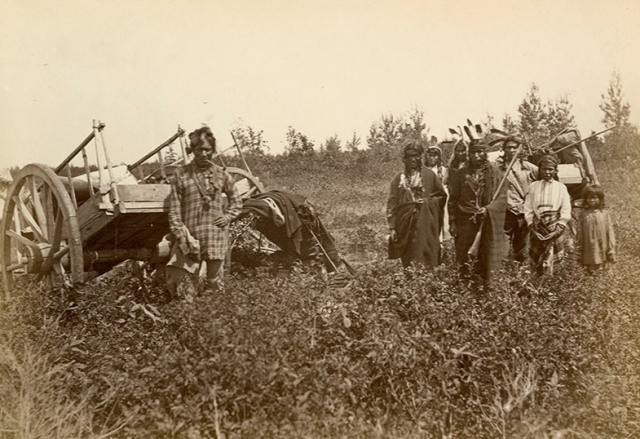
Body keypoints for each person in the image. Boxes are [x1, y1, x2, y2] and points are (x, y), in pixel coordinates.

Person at [168, 126, 243, 294]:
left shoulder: (221, 174)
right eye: (199, 149)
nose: (204, 154)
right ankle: (188, 317)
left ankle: (213, 316)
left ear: (213, 150)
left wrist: (227, 217)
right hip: (189, 237)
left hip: (214, 236)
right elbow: (174, 209)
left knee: (215, 284)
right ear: (192, 150)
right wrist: (180, 236)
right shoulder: (181, 174)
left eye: (207, 150)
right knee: (186, 287)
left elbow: (237, 202)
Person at [448, 137, 507, 287]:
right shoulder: (461, 174)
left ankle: (485, 288)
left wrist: (488, 210)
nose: (476, 155)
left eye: (480, 152)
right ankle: (464, 287)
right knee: (464, 255)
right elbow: (453, 199)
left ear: (485, 152)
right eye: (473, 152)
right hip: (464, 223)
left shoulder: (495, 174)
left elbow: (502, 199)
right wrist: (453, 222)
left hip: (487, 222)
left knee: (485, 255)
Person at [387, 142, 447, 268]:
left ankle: (427, 282)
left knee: (426, 252)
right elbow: (392, 202)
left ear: (421, 157)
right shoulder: (399, 179)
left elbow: (441, 196)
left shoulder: (430, 175)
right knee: (409, 256)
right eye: (409, 156)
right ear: (405, 159)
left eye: (416, 156)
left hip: (425, 222)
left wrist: (426, 203)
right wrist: (392, 227)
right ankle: (412, 282)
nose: (413, 159)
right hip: (405, 225)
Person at [524, 155, 572, 276]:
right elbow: (528, 207)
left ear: (555, 171)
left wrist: (558, 228)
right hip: (538, 226)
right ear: (539, 170)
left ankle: (552, 285)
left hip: (555, 226)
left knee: (553, 259)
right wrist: (531, 226)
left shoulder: (561, 187)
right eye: (544, 169)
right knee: (537, 259)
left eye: (550, 169)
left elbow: (566, 209)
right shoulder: (533, 186)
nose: (547, 172)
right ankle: (536, 285)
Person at [493, 135, 538, 262]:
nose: (512, 150)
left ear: (519, 149)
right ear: (504, 149)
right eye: (509, 147)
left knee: (522, 247)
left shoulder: (527, 167)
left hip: (524, 211)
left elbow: (545, 176)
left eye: (514, 147)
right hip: (505, 211)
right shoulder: (497, 168)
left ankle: (519, 275)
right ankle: (502, 276)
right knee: (502, 250)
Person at [576, 185, 615, 274]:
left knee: (603, 264)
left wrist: (611, 248)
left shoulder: (604, 213)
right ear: (586, 199)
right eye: (589, 198)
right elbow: (580, 232)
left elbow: (610, 231)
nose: (592, 200)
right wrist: (579, 246)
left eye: (595, 198)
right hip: (589, 245)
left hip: (603, 244)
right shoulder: (583, 214)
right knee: (591, 264)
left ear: (600, 199)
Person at [425, 145, 451, 240]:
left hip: (439, 200)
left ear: (439, 157)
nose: (432, 158)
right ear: (426, 156)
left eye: (434, 156)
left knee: (439, 219)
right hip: (426, 199)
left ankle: (440, 241)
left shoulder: (444, 171)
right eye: (430, 155)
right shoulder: (422, 169)